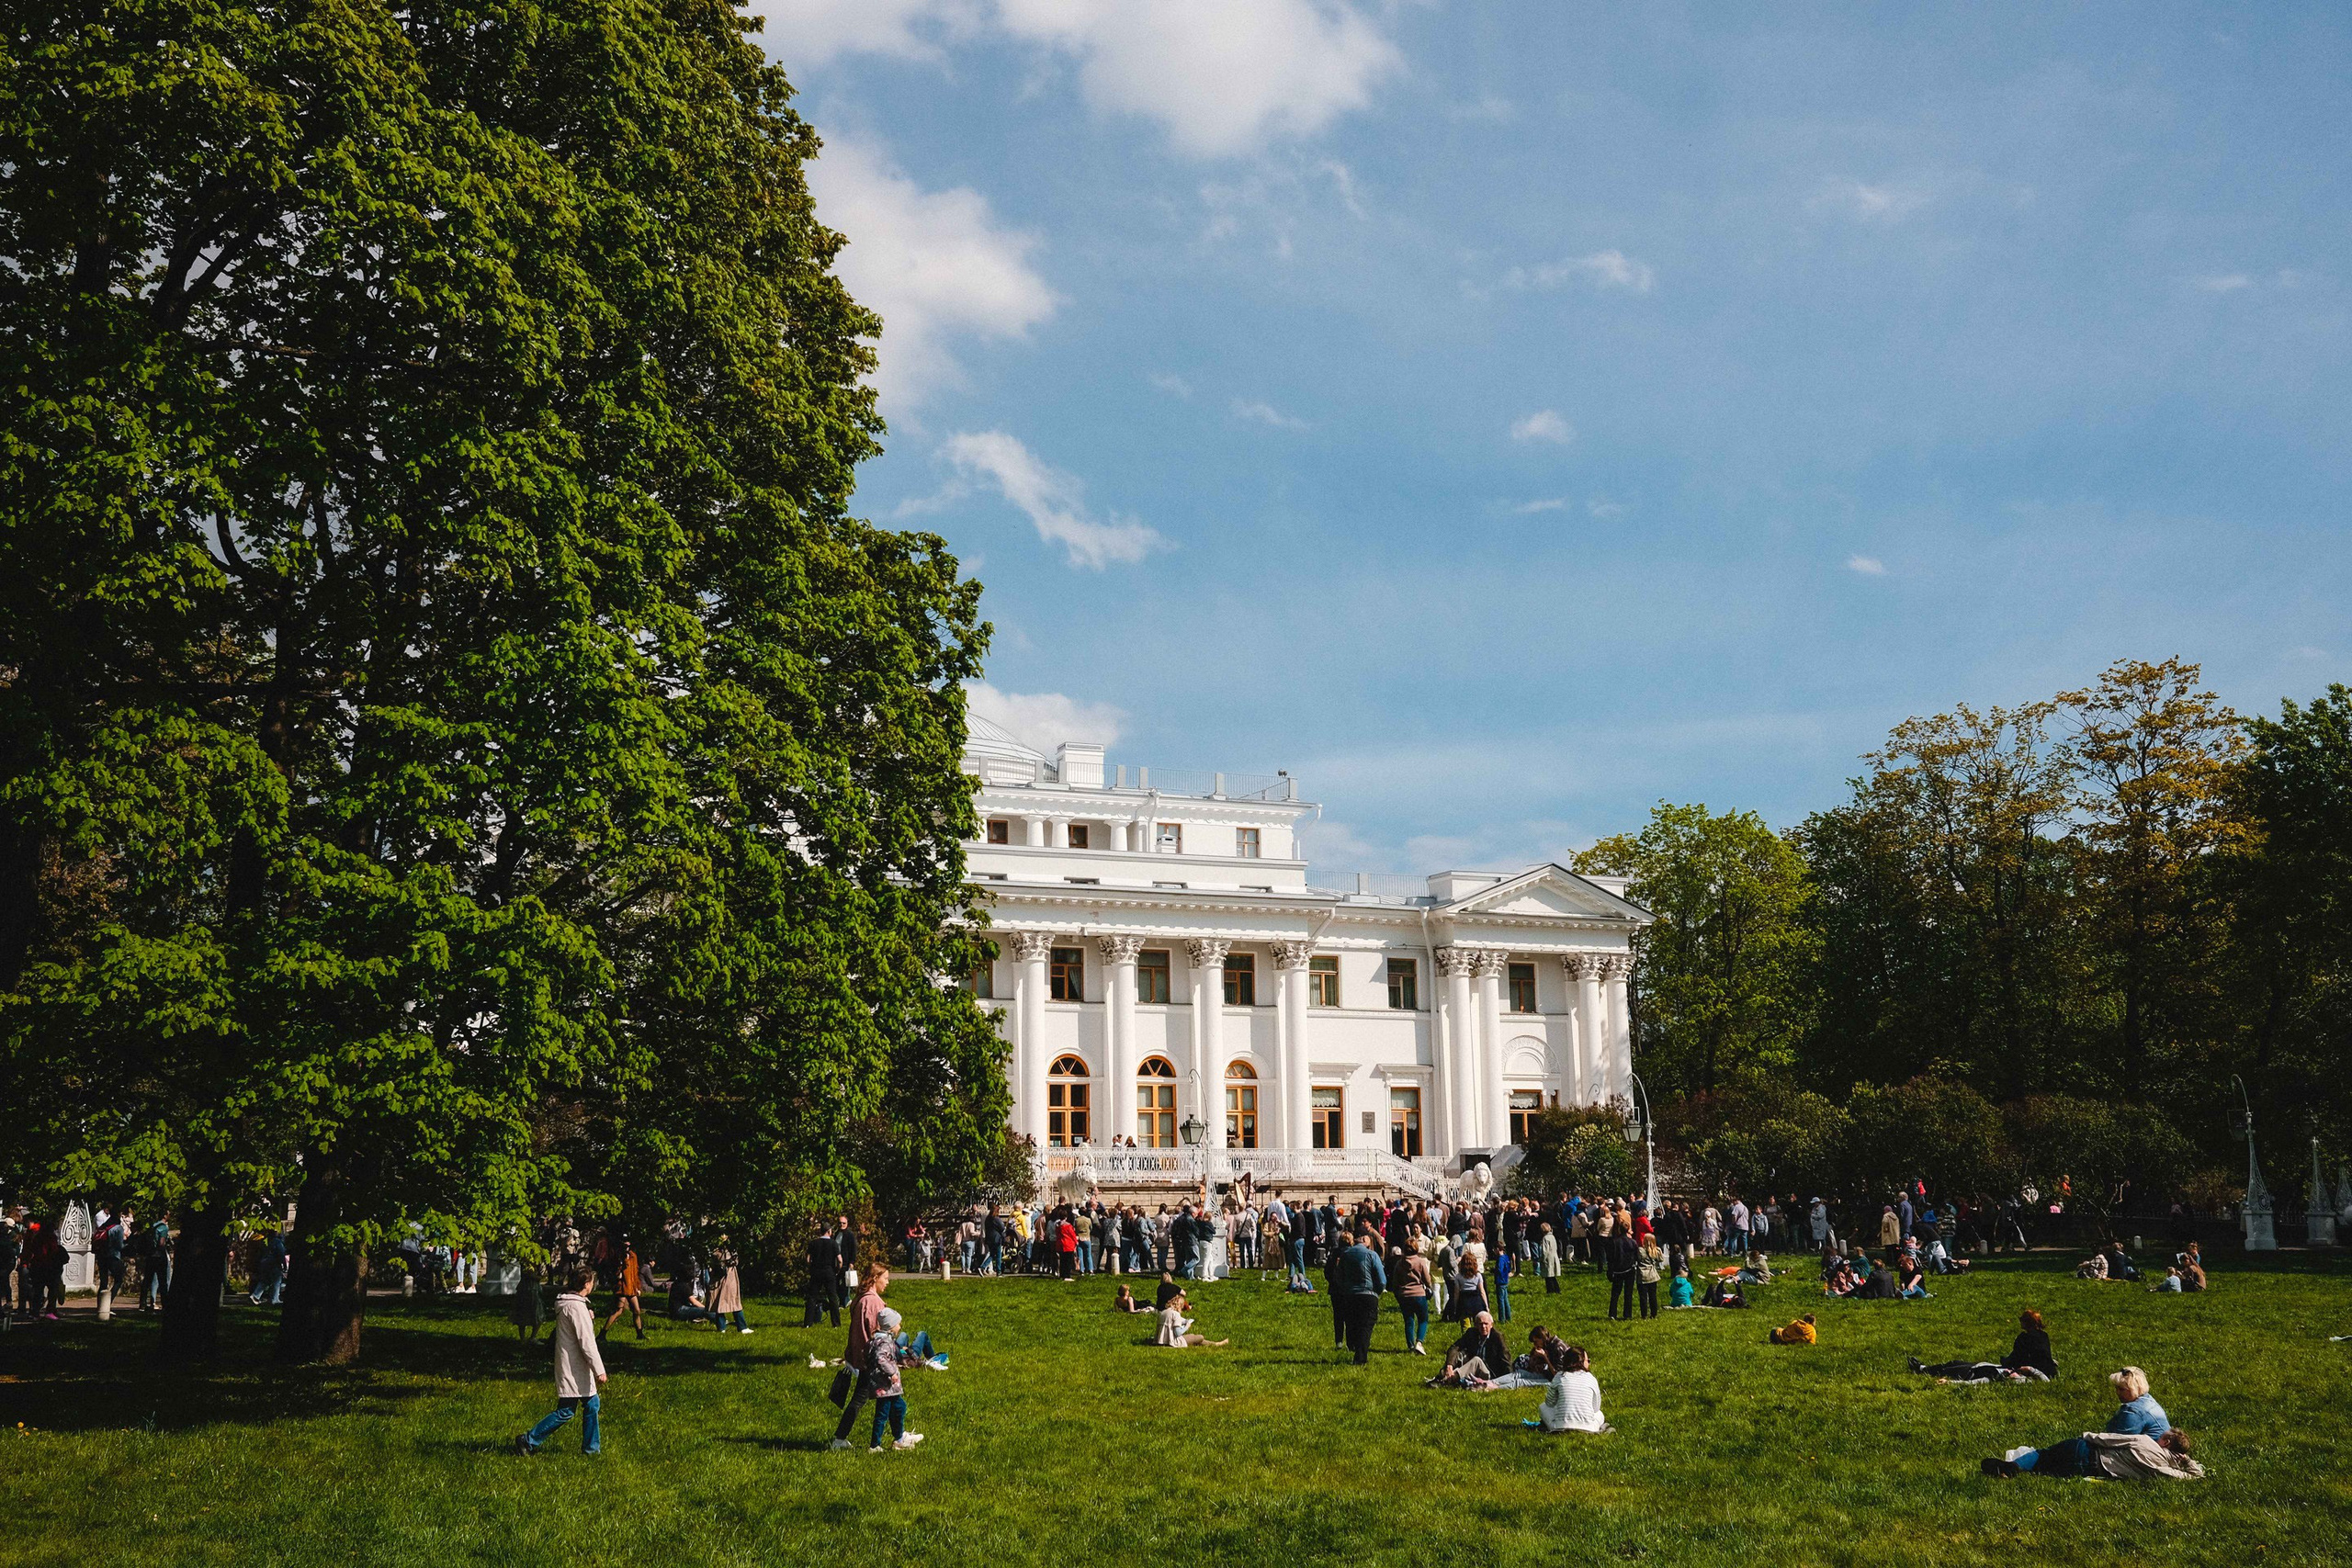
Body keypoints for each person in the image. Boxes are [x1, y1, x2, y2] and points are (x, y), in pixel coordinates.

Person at [514, 1266, 607, 1456]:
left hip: (571, 1363)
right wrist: (599, 1370)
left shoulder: (572, 1305)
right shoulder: (576, 1307)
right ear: (587, 1284)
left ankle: (531, 1441)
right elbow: (587, 1342)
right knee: (571, 1409)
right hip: (575, 1365)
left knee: (586, 1405)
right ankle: (529, 1440)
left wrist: (588, 1318)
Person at [828, 1265, 891, 1451]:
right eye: (885, 1278)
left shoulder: (860, 1298)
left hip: (860, 1355)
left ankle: (842, 1438)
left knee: (869, 1398)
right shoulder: (873, 1302)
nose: (887, 1282)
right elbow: (874, 1330)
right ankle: (842, 1438)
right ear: (874, 1279)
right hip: (870, 1358)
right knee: (866, 1399)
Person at [1983, 1428, 2200, 1482]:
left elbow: (2110, 1439)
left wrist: (2087, 1435)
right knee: (2043, 1470)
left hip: (2087, 1451)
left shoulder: (2144, 1441)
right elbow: (2196, 1476)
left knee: (2042, 1454)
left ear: (2166, 1442)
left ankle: (2014, 1466)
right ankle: (2019, 1469)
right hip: (2089, 1470)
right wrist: (2188, 1462)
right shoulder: (2163, 1470)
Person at [1910, 1309, 2057, 1383]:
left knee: (1960, 1367)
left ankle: (1924, 1370)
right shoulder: (2043, 1336)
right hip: (2038, 1372)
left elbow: (2016, 1359)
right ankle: (1924, 1369)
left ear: (2026, 1323)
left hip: (2018, 1371)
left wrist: (2005, 1363)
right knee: (1962, 1365)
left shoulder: (2024, 1338)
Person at [865, 1307, 922, 1450]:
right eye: (898, 1324)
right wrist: (892, 1373)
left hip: (888, 1387)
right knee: (882, 1414)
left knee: (899, 1407)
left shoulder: (880, 1340)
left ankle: (899, 1438)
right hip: (884, 1386)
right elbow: (881, 1358)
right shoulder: (883, 1342)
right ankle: (875, 1445)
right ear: (890, 1326)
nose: (900, 1327)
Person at [1329, 1227, 1386, 1365]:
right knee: (1366, 1326)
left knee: (1352, 1322)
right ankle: (1360, 1357)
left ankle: (1353, 1346)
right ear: (1366, 1240)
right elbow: (1382, 1280)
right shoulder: (1372, 1255)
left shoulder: (1345, 1255)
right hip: (1368, 1293)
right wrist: (1377, 1291)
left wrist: (1345, 1289)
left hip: (1349, 1294)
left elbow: (1338, 1276)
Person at [1530, 1345, 1610, 1433]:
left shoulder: (1560, 1376)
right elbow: (1596, 1408)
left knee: (1542, 1407)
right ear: (1582, 1362)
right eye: (1588, 1361)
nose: (1589, 1363)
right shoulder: (1591, 1378)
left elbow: (1549, 1403)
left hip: (1559, 1427)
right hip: (1589, 1427)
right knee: (1600, 1414)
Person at [1427, 1311, 1510, 1387]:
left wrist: (1508, 1378)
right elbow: (1454, 1347)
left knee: (1476, 1360)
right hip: (1473, 1368)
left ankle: (1448, 1380)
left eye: (1486, 1324)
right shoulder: (1471, 1333)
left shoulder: (1497, 1337)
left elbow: (1506, 1358)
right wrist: (1450, 1365)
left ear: (1491, 1325)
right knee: (1459, 1354)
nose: (1483, 1327)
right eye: (1480, 1324)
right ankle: (1442, 1376)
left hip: (1488, 1373)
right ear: (1475, 1325)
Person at [601, 1237, 647, 1341]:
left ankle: (639, 1334)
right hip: (622, 1287)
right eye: (625, 1244)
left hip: (631, 1288)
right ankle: (603, 1333)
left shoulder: (633, 1256)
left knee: (637, 1310)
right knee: (618, 1311)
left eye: (628, 1244)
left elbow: (635, 1273)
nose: (626, 1246)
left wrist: (637, 1287)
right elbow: (616, 1272)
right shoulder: (618, 1257)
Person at [1393, 1241, 1432, 1355]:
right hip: (1419, 1294)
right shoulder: (1420, 1262)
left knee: (1409, 1321)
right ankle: (1419, 1343)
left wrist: (1397, 1293)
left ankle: (1410, 1345)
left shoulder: (1400, 1263)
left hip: (1404, 1295)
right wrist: (1428, 1287)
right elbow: (1427, 1280)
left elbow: (1395, 1281)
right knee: (1423, 1319)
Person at [2107, 1367, 2170, 1436]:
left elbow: (2117, 1440)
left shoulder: (2133, 1411)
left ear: (2135, 1389)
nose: (2117, 1392)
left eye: (2122, 1389)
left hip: (2152, 1446)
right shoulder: (2148, 1399)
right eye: (2116, 1388)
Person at [804, 1221, 844, 1327]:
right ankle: (836, 1323)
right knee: (832, 1297)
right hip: (829, 1272)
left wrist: (811, 1268)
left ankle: (808, 1323)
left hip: (816, 1272)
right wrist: (837, 1270)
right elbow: (840, 1260)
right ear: (829, 1231)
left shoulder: (813, 1243)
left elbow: (808, 1259)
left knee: (812, 1297)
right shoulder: (833, 1243)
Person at [1156, 1290, 1227, 1348]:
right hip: (1172, 1341)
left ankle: (1215, 1344)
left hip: (1161, 1340)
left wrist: (1184, 1322)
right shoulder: (1176, 1314)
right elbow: (1177, 1333)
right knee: (1200, 1337)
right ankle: (1216, 1344)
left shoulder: (1163, 1312)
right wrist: (1187, 1326)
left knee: (1192, 1336)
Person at [707, 1237, 749, 1333]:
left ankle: (736, 1326)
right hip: (723, 1276)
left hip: (727, 1276)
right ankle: (739, 1327)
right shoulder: (718, 1248)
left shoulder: (729, 1247)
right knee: (726, 1301)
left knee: (730, 1301)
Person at [1602, 1220, 1638, 1322]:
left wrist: (1610, 1270)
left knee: (1615, 1293)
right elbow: (1636, 1256)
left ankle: (1612, 1313)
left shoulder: (1614, 1242)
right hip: (1629, 1270)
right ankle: (1627, 1314)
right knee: (1628, 1293)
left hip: (1617, 1270)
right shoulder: (1633, 1242)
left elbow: (1610, 1257)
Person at [510, 1260, 550, 1341]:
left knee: (537, 1316)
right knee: (523, 1316)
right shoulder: (526, 1264)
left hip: (533, 1289)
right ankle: (523, 1339)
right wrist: (539, 1276)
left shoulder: (537, 1264)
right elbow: (532, 1276)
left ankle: (532, 1337)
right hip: (528, 1290)